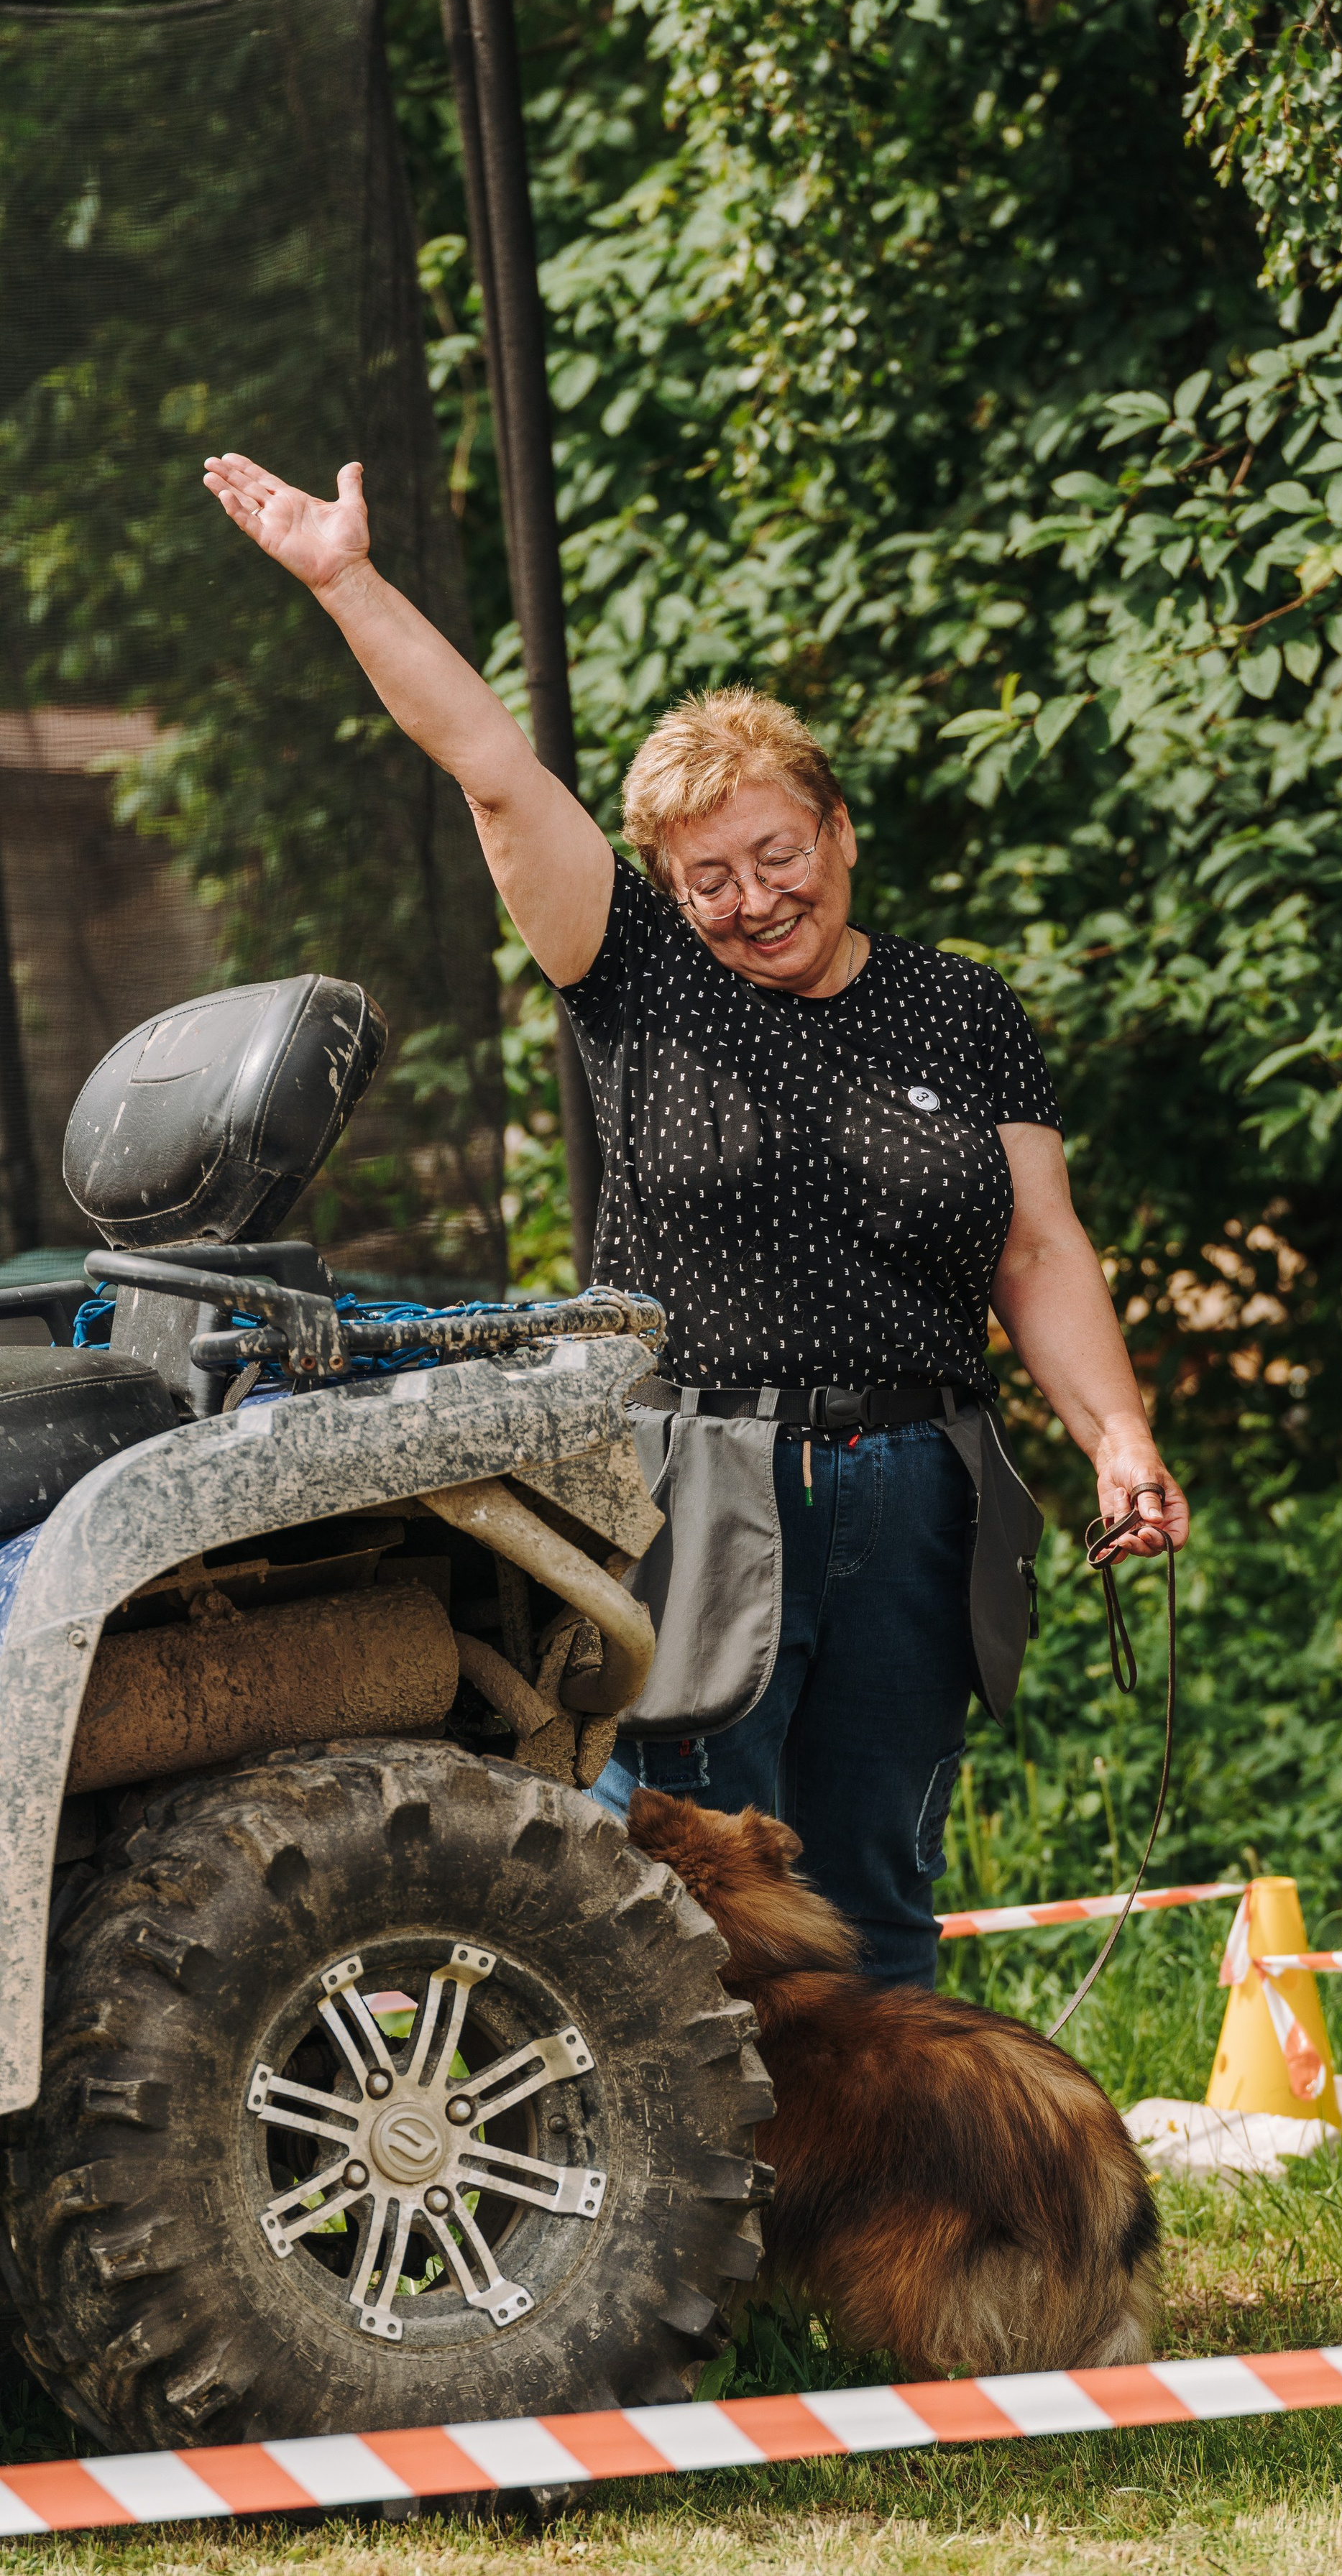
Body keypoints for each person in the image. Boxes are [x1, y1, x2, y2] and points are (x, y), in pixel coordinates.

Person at [203, 450, 1190, 1985]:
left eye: (777, 854)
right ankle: (691, 2149)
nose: (752, 897)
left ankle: (886, 2146)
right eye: (708, 875)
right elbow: (492, 766)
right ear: (666, 886)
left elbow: (1037, 1246)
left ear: (841, 832)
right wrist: (349, 581)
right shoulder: (637, 972)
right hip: (697, 1482)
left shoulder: (962, 1008)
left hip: (917, 1485)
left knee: (880, 1885)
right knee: (689, 1886)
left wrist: (1117, 1436)